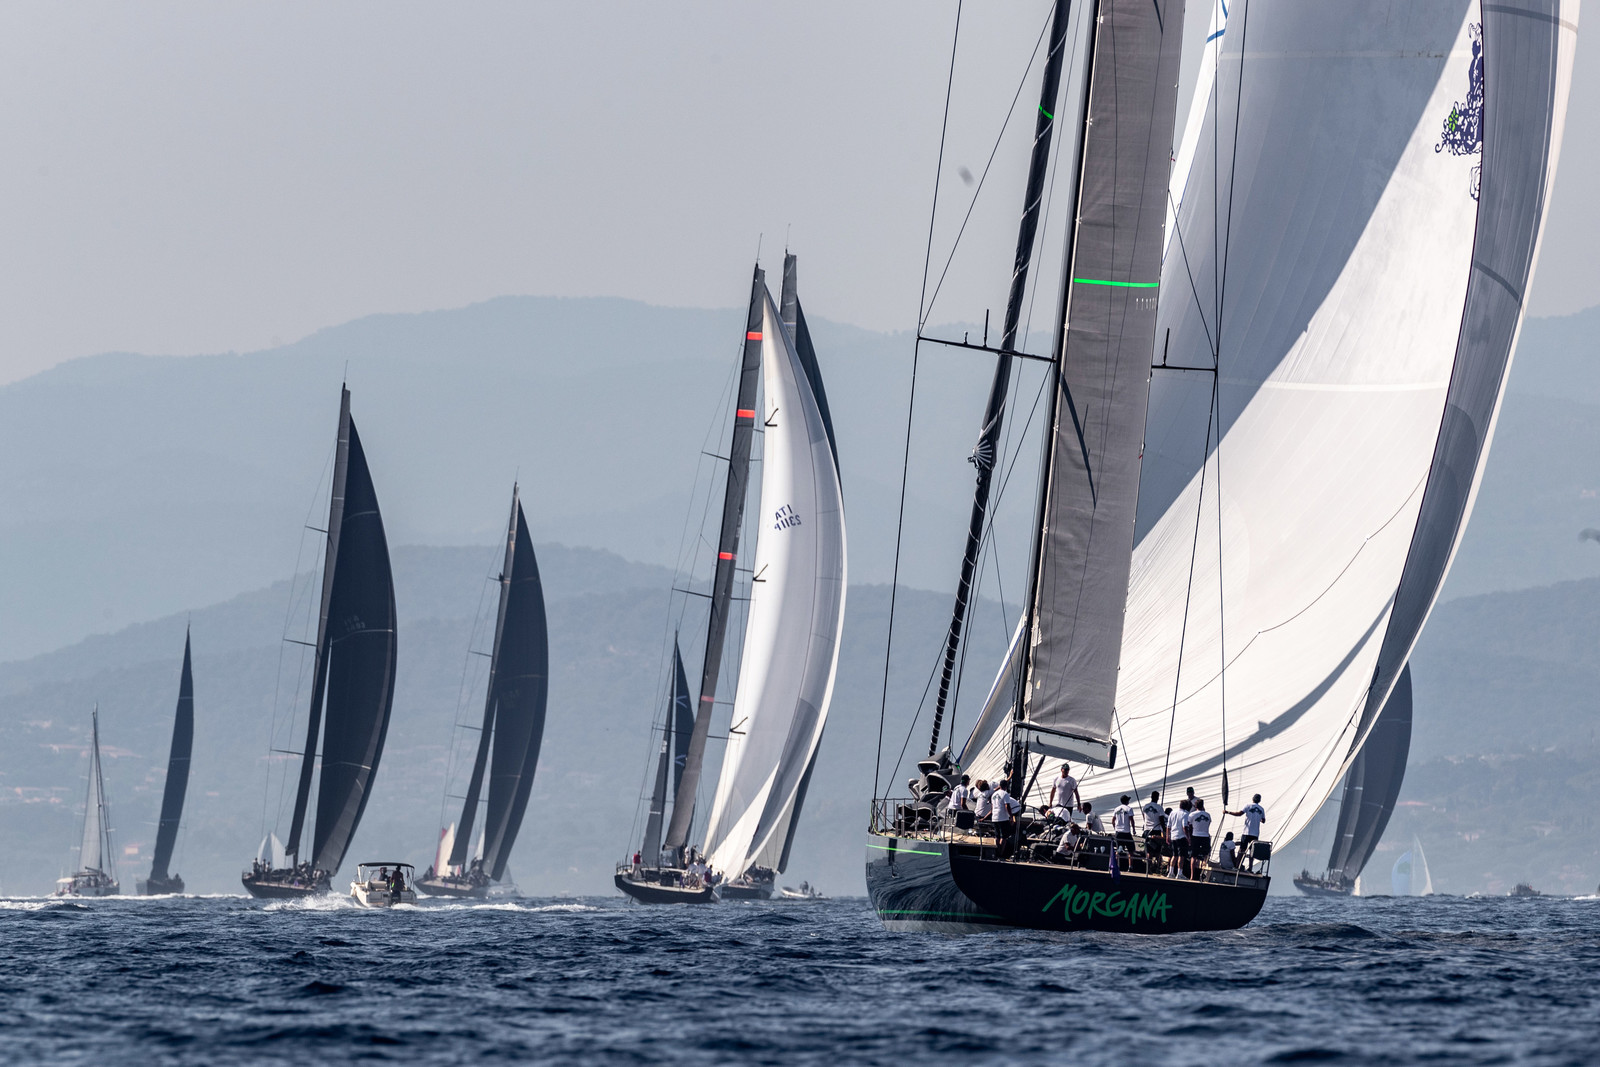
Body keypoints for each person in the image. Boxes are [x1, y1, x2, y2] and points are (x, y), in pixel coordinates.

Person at [1227, 794, 1267, 872]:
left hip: (1247, 832)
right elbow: (1263, 820)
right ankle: (1250, 868)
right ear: (1259, 800)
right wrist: (1257, 818)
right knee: (1252, 851)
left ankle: (1237, 866)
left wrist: (1228, 812)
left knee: (1242, 849)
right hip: (1255, 833)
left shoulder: (1248, 805)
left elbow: (1239, 814)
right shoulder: (1261, 809)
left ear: (1253, 799)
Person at [988, 781, 1022, 855]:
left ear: (999, 786)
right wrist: (1011, 816)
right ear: (1006, 786)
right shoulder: (1005, 794)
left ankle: (996, 851)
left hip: (994, 817)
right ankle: (1001, 853)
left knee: (997, 836)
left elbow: (992, 807)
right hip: (1002, 817)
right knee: (1003, 837)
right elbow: (1007, 806)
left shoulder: (994, 794)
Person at [1189, 798, 1213, 875]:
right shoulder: (1208, 815)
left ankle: (1192, 875)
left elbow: (1189, 825)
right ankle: (1203, 873)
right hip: (1205, 835)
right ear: (1203, 806)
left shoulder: (1192, 814)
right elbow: (1209, 823)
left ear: (1195, 806)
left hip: (1195, 835)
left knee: (1194, 856)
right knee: (1205, 855)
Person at [1170, 800, 1192, 878]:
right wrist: (1188, 838)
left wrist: (1167, 836)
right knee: (1181, 856)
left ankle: (1171, 872)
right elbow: (1184, 827)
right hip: (1181, 837)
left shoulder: (1173, 812)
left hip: (1173, 836)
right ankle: (1179, 873)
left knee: (1174, 855)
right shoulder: (1185, 814)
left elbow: (1168, 825)